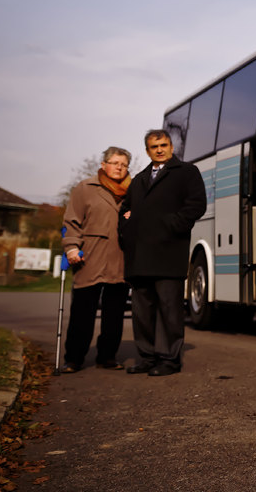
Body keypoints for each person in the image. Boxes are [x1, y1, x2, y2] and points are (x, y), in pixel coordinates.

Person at [118, 129, 207, 378]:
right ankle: (147, 357)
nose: (159, 149)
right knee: (142, 312)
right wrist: (127, 228)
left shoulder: (187, 172)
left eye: (164, 145)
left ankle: (169, 359)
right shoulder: (139, 179)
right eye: (154, 146)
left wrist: (170, 225)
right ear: (147, 151)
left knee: (169, 310)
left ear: (171, 146)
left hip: (169, 253)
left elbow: (196, 205)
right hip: (140, 257)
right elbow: (125, 210)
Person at [59, 146, 133, 373]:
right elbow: (72, 222)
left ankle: (107, 357)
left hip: (119, 259)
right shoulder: (85, 188)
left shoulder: (133, 192)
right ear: (104, 165)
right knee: (83, 312)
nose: (119, 168)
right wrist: (72, 247)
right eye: (115, 163)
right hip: (89, 258)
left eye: (123, 164)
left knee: (114, 314)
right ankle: (73, 358)